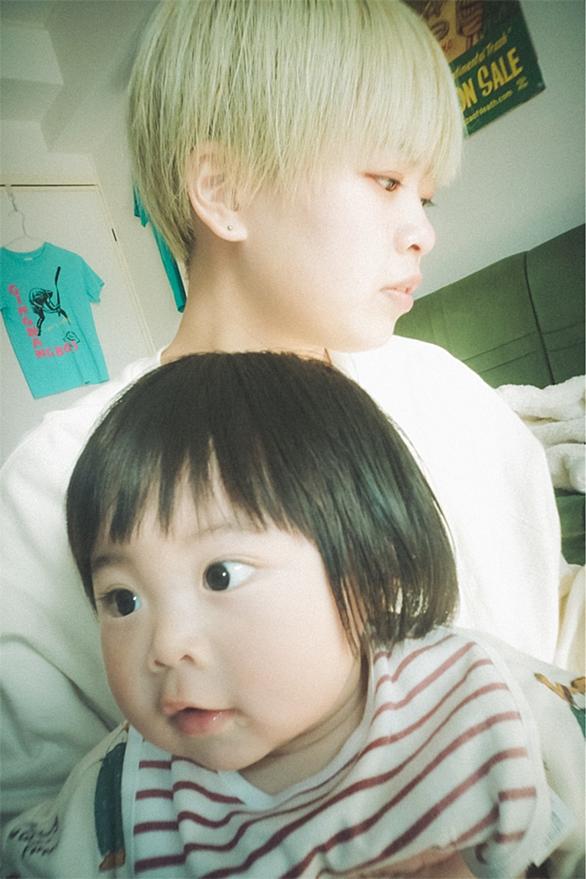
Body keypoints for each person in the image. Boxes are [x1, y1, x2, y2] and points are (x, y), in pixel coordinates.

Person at [0, 0, 564, 826]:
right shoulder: (57, 479)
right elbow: (32, 825)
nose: (422, 233)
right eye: (386, 181)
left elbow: (539, 638)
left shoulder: (443, 391)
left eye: (427, 198)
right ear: (224, 189)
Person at [2, 353, 583, 879]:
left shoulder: (482, 698)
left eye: (221, 575)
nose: (165, 645)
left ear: (371, 572)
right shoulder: (117, 798)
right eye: (123, 600)